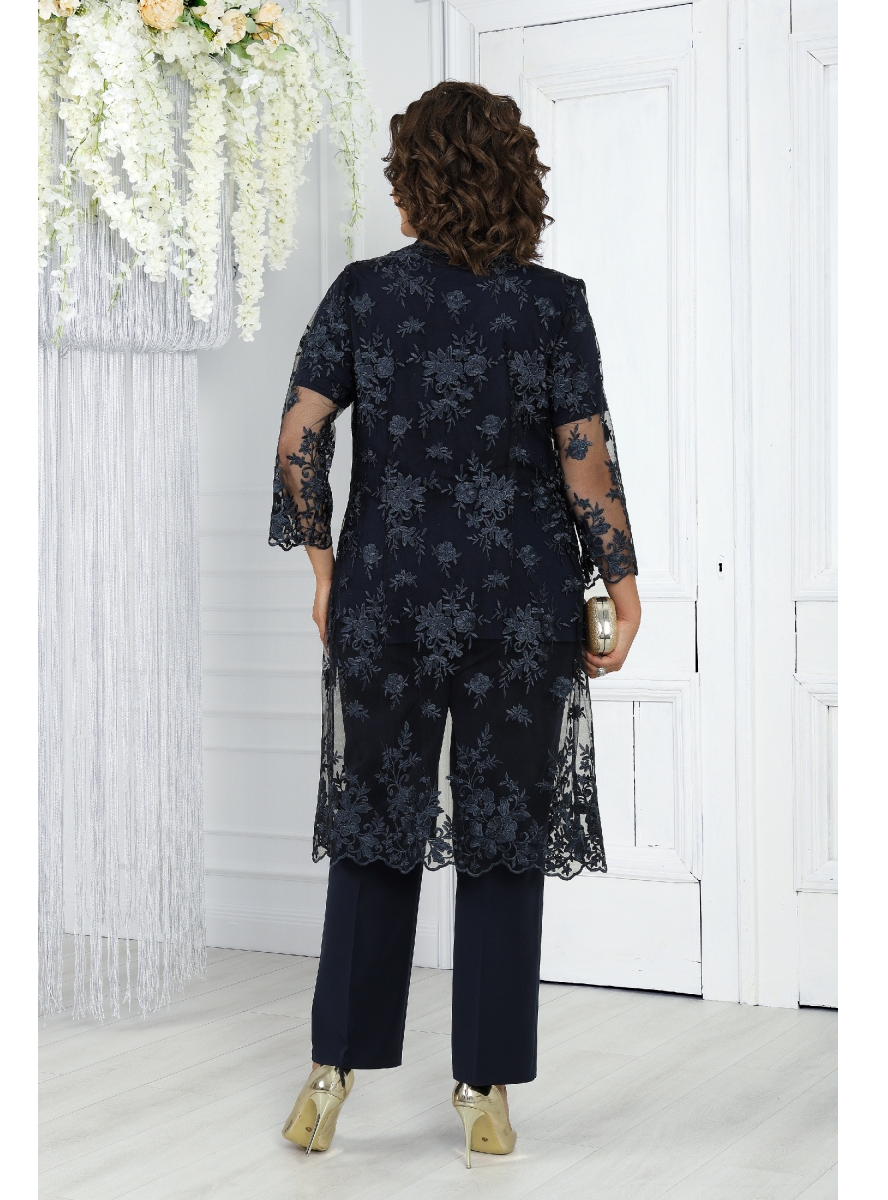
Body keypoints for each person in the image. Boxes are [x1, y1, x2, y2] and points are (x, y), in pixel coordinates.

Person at [270, 80, 640, 1167]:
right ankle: (485, 1094)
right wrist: (623, 587)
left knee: (374, 829)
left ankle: (329, 1080)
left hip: (387, 596)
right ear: (517, 180)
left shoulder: (362, 293)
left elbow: (299, 441)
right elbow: (585, 463)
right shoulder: (553, 303)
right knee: (503, 839)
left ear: (412, 184)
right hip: (520, 603)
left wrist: (327, 572)